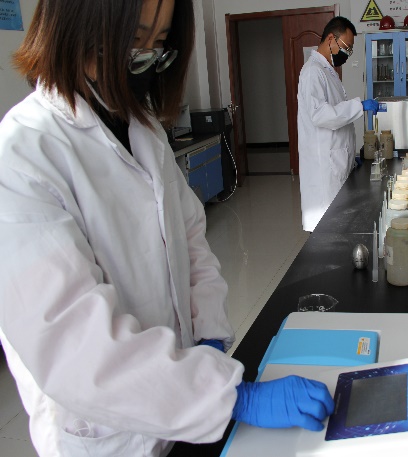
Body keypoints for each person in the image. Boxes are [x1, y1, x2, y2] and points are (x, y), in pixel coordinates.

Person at [0, 1, 333, 456]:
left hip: (186, 397)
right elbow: (75, 351)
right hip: (110, 437)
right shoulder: (21, 158)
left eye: (158, 44)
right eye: (134, 40)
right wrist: (233, 398)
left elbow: (191, 238)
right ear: (77, 26)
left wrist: (208, 337)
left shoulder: (143, 129)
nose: (146, 59)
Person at [297, 16, 379, 232]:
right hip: (325, 167)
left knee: (338, 225)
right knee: (327, 229)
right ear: (331, 39)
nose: (347, 53)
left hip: (336, 160)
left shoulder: (327, 70)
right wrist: (359, 106)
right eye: (346, 47)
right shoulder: (312, 72)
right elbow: (320, 115)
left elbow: (338, 116)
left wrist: (350, 157)